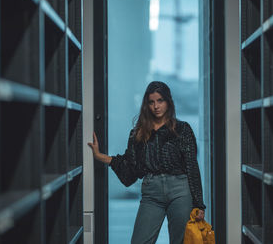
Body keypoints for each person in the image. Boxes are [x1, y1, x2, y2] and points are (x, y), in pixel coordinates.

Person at [88, 81, 205, 244]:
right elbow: (130, 168)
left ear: (168, 102)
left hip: (180, 190)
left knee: (181, 242)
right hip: (152, 192)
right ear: (146, 104)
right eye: (151, 102)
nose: (156, 106)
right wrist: (101, 157)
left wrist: (199, 203)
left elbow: (192, 166)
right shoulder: (138, 133)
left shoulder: (182, 129)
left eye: (160, 101)